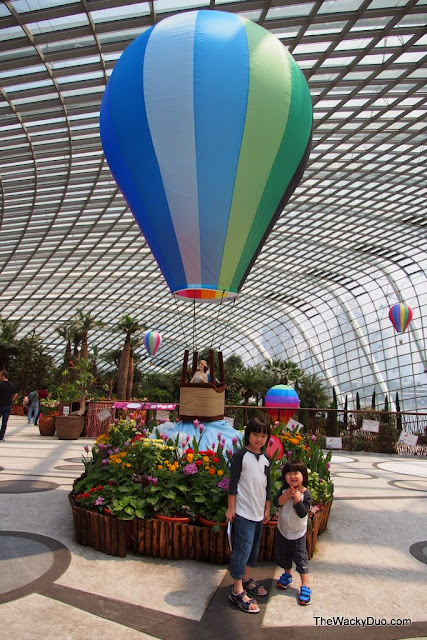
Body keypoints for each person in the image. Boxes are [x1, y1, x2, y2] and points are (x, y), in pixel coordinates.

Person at [226, 417, 271, 613]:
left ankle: (245, 579)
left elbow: (267, 485)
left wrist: (267, 508)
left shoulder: (266, 459)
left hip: (258, 512)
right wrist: (231, 508)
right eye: (255, 434)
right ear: (248, 435)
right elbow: (233, 483)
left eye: (263, 435)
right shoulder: (240, 456)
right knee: (241, 550)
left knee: (253, 549)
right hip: (243, 512)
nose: (259, 439)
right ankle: (237, 590)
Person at [274, 459, 312, 606]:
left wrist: (296, 499)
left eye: (296, 473)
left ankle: (305, 585)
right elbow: (277, 502)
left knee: (300, 558)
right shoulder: (284, 490)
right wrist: (285, 496)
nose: (293, 476)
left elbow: (302, 513)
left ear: (303, 476)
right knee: (284, 555)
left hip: (298, 533)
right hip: (283, 529)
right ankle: (287, 575)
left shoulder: (305, 493)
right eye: (289, 473)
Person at [0, 370, 18, 442]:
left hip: (0, 405)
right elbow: (16, 394)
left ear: (3, 376)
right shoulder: (11, 384)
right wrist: (12, 400)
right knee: (4, 422)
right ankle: (1, 436)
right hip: (8, 405)